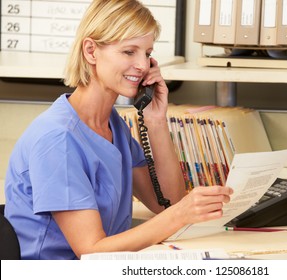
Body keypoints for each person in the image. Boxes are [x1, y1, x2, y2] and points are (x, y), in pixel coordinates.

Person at [4, 0, 233, 260]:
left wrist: (156, 121)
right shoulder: (57, 139)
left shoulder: (113, 125)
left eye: (147, 53)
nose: (143, 66)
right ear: (91, 51)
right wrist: (181, 214)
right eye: (129, 52)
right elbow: (90, 249)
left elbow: (166, 202)